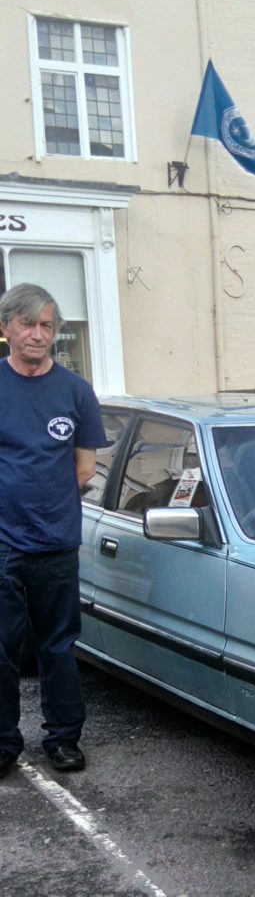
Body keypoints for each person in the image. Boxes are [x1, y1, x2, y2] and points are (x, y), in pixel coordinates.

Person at [0, 283, 107, 778]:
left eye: (46, 325)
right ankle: (4, 742)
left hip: (56, 543)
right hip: (2, 545)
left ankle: (63, 738)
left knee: (59, 647)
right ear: (6, 330)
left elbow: (84, 469)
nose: (37, 334)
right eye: (27, 324)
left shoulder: (76, 391)